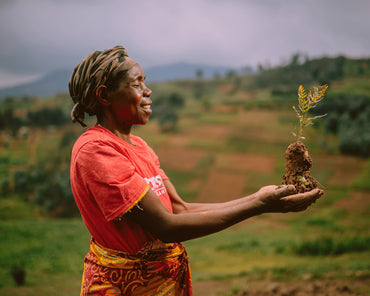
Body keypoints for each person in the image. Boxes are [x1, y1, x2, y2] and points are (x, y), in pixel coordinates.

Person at [68, 45, 323, 296]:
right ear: (104, 96)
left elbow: (179, 208)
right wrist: (260, 206)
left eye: (145, 82)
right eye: (137, 84)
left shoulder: (140, 146)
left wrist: (258, 197)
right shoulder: (96, 150)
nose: (148, 91)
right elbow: (166, 227)